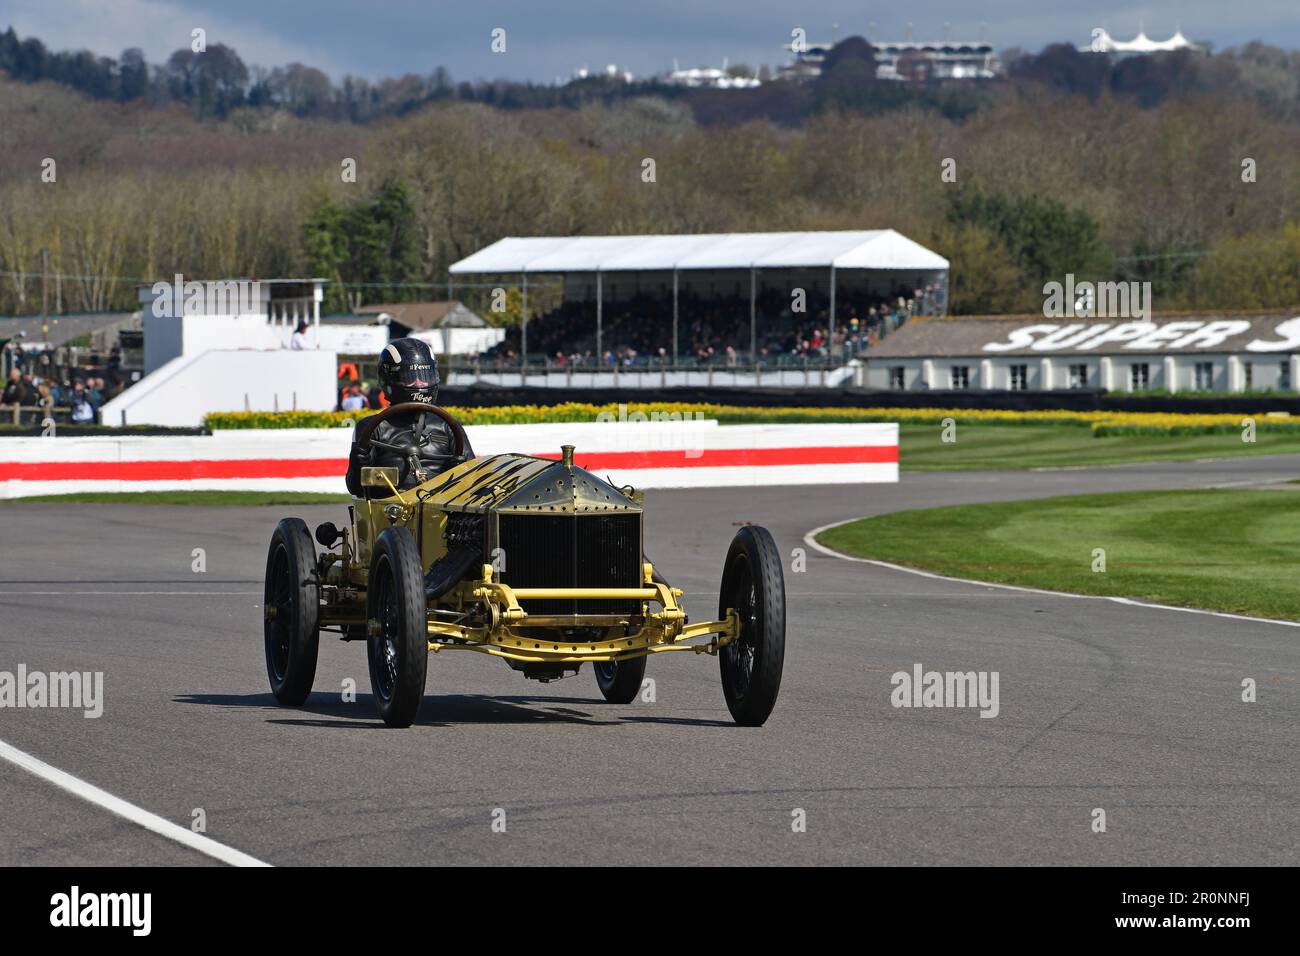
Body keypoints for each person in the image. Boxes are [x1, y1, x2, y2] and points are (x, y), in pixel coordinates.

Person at [344, 338, 473, 497]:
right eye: (410, 378)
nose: (419, 384)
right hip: (391, 510)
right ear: (388, 380)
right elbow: (355, 488)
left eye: (425, 376)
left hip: (439, 509)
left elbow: (473, 479)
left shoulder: (448, 425)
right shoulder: (372, 427)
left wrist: (459, 469)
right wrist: (358, 466)